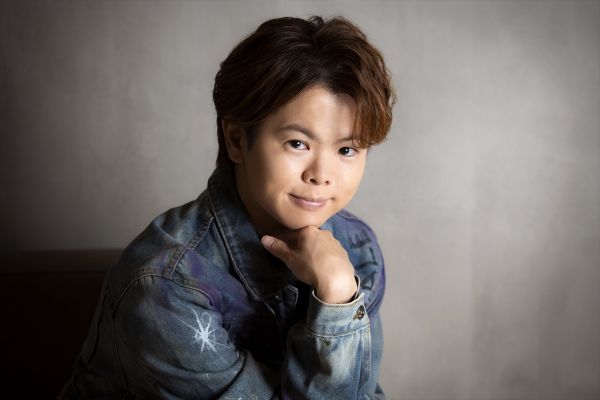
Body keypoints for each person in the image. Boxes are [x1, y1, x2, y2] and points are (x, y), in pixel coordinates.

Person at [60, 15, 395, 399]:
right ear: (236, 139)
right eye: (297, 144)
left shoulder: (355, 249)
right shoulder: (167, 285)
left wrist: (339, 292)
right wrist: (336, 305)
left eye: (347, 150)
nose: (321, 175)